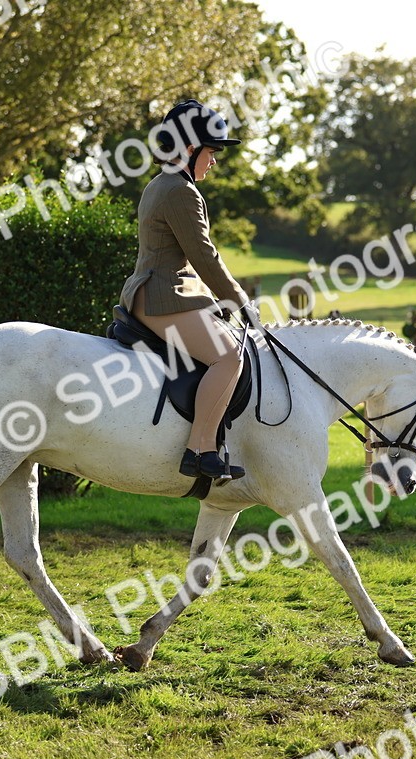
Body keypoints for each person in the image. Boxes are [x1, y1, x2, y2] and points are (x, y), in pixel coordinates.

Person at [118, 100, 255, 481]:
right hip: (163, 296)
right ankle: (200, 450)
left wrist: (214, 303)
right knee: (230, 358)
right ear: (191, 148)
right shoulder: (181, 191)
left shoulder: (160, 184)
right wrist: (238, 300)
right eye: (211, 152)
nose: (214, 161)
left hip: (155, 291)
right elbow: (204, 256)